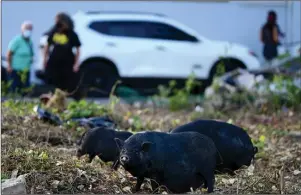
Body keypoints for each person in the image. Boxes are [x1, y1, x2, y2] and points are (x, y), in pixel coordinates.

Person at [42, 12, 82, 99]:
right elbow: (47, 46)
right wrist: (44, 59)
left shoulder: (71, 34)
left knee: (68, 81)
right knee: (53, 80)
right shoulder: (54, 31)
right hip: (54, 60)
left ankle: (67, 97)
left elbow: (78, 49)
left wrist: (76, 64)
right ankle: (53, 97)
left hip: (67, 61)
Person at [6, 21, 34, 94]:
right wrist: (9, 66)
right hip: (15, 70)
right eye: (27, 29)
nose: (29, 31)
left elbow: (31, 54)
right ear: (22, 29)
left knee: (25, 91)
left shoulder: (30, 41)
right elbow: (9, 53)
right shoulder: (17, 40)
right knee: (14, 90)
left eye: (30, 29)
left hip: (25, 70)